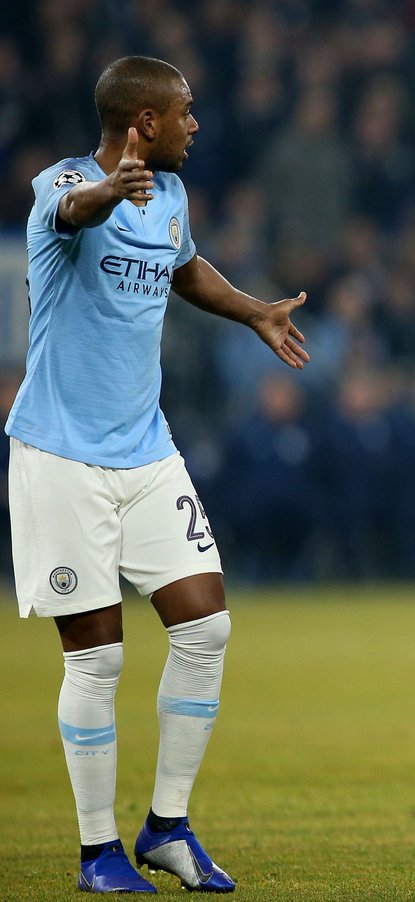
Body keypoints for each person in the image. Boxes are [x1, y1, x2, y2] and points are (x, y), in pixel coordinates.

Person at [9, 56, 309, 894]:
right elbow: (74, 212)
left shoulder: (171, 195)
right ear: (144, 122)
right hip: (61, 456)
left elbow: (182, 267)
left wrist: (253, 310)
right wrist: (111, 191)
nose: (195, 124)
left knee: (206, 629)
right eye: (184, 111)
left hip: (146, 451)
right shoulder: (63, 184)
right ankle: (96, 852)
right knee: (97, 659)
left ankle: (166, 828)